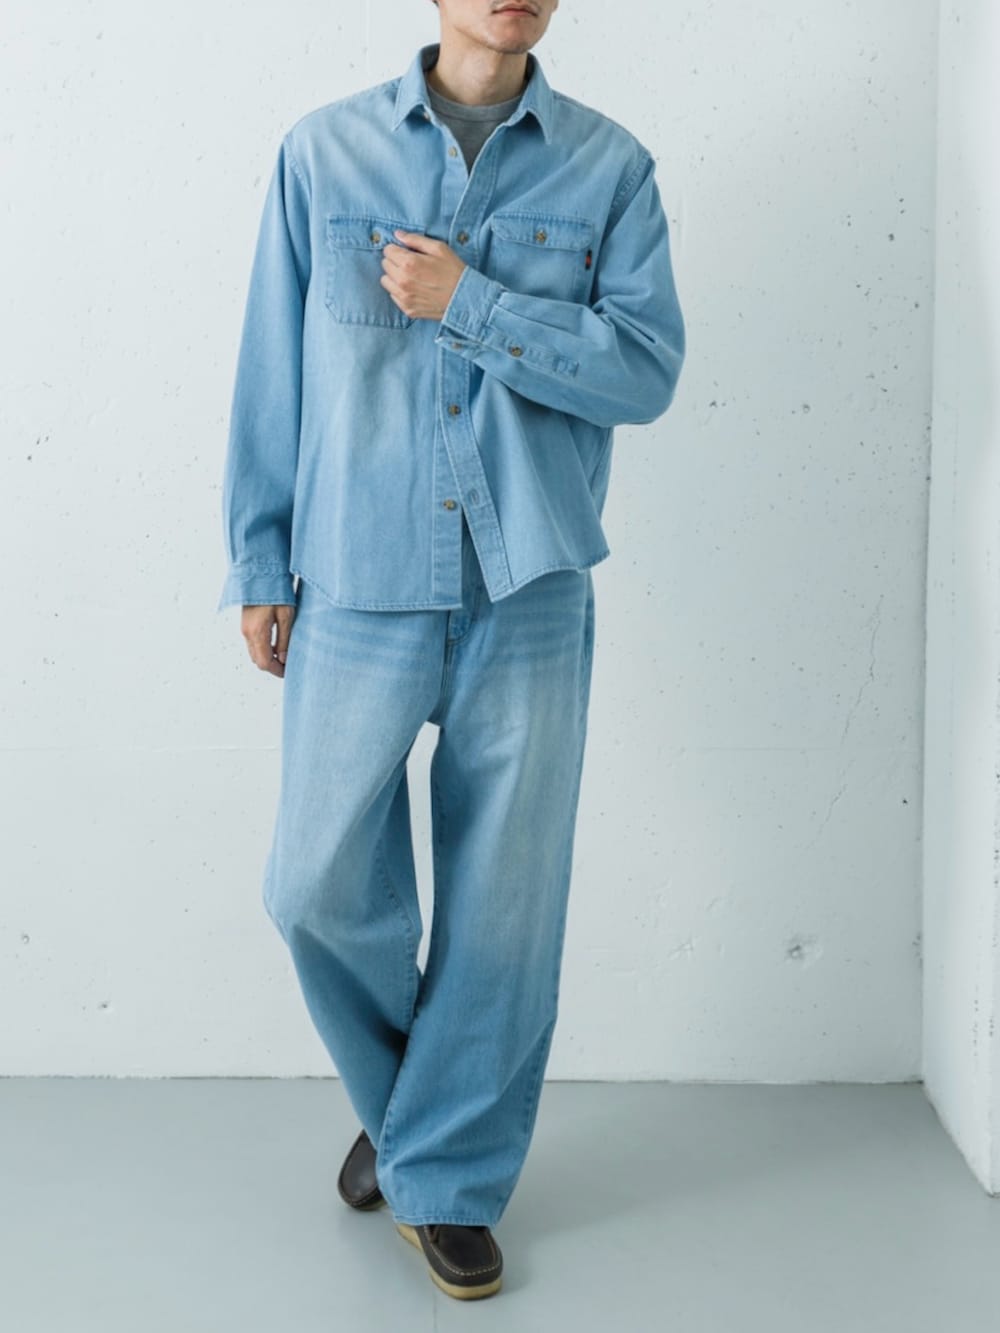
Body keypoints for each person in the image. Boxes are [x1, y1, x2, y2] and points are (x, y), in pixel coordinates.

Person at [216, 0, 685, 1301]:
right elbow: (272, 367)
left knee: (505, 906)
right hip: (356, 574)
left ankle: (448, 1180)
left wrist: (472, 301)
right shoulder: (323, 154)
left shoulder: (611, 168)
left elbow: (645, 372)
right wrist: (258, 557)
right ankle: (424, 1115)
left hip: (527, 582)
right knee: (312, 882)